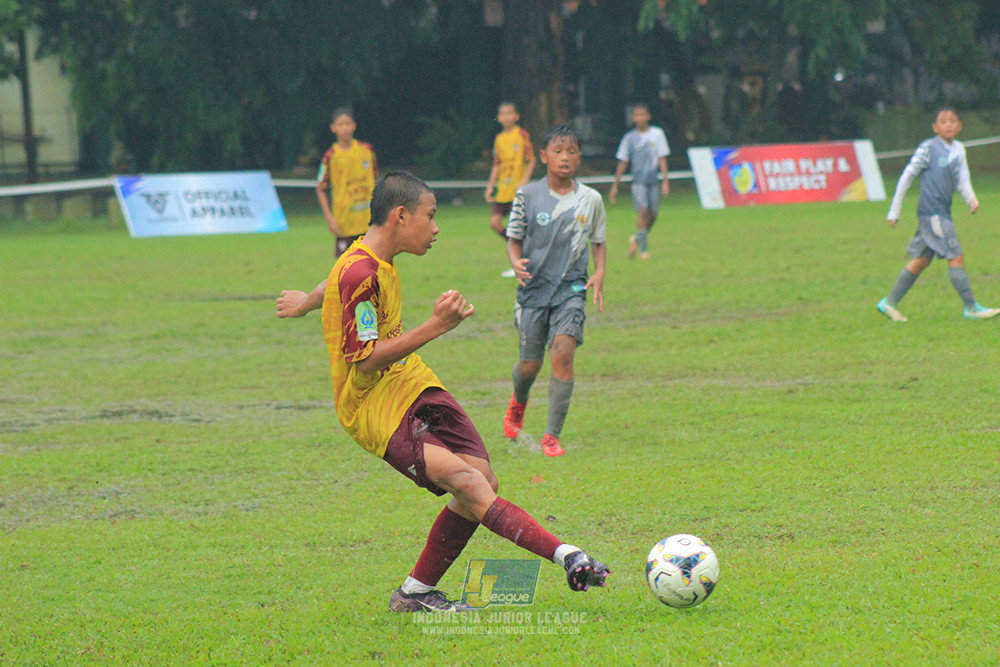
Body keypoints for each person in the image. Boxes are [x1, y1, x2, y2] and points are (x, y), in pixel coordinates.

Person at [276, 171, 610, 612]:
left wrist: (305, 302)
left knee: (483, 480)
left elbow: (336, 280)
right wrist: (436, 326)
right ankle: (568, 556)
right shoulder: (360, 271)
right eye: (430, 216)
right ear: (400, 215)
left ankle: (415, 593)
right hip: (371, 404)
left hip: (409, 380)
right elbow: (366, 359)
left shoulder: (368, 258)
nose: (435, 228)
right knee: (468, 483)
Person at [503, 125, 607, 458]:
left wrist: (599, 272)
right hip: (533, 289)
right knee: (529, 366)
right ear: (544, 156)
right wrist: (515, 262)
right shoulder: (526, 196)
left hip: (571, 288)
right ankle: (518, 401)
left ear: (579, 158)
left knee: (563, 352)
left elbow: (598, 241)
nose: (565, 157)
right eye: (558, 151)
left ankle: (551, 435)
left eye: (572, 152)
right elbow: (514, 239)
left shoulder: (591, 199)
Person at [877, 106, 999, 321]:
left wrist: (970, 199)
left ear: (959, 126)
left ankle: (888, 303)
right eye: (943, 121)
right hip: (933, 213)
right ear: (935, 127)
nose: (948, 125)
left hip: (941, 213)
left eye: (952, 121)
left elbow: (963, 179)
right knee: (956, 256)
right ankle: (971, 307)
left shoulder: (959, 150)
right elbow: (907, 176)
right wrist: (895, 210)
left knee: (921, 261)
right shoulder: (928, 148)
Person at [608, 103, 670, 260]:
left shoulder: (657, 134)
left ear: (648, 116)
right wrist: (615, 185)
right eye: (637, 115)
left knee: (653, 215)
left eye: (643, 115)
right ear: (633, 118)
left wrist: (665, 181)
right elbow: (623, 161)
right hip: (638, 182)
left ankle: (636, 239)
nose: (640, 118)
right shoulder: (629, 138)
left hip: (653, 180)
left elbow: (662, 157)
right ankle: (644, 250)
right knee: (642, 212)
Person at [316, 108, 379, 257]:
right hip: (344, 224)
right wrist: (329, 218)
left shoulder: (367, 151)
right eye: (340, 124)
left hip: (369, 223)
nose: (345, 128)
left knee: (372, 265)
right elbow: (321, 188)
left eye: (348, 124)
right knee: (346, 267)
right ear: (333, 128)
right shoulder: (330, 157)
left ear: (354, 126)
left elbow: (378, 181)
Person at [484, 102, 536, 277]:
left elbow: (531, 160)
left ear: (516, 116)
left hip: (517, 191)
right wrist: (490, 186)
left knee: (518, 226)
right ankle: (519, 249)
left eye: (509, 113)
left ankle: (521, 262)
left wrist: (524, 180)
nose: (506, 117)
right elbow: (496, 164)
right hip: (503, 190)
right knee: (495, 223)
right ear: (498, 118)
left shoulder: (521, 134)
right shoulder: (499, 139)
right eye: (503, 114)